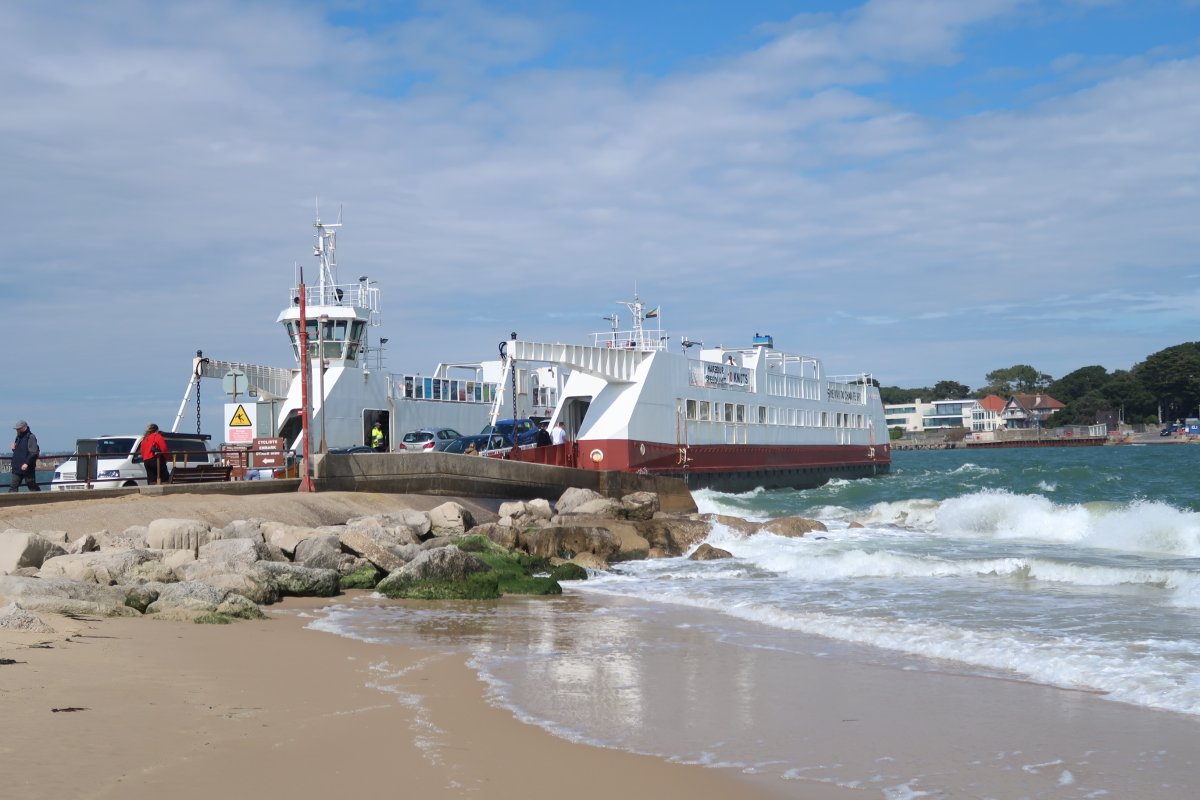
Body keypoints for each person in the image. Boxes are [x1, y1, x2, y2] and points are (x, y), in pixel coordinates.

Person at [10, 420, 40, 492]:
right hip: (17, 466)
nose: (17, 430)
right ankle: (11, 502)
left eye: (19, 428)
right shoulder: (18, 437)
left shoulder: (31, 437)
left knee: (31, 484)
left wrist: (26, 463)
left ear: (24, 427)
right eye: (17, 429)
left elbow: (33, 452)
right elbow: (20, 451)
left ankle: (40, 497)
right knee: (13, 485)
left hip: (28, 467)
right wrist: (14, 449)